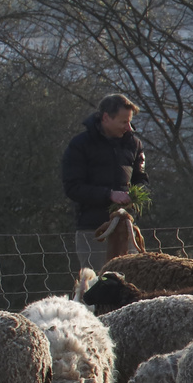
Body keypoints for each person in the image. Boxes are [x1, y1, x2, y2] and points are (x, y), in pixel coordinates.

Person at [60, 93, 149, 273]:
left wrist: (135, 196)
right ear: (106, 117)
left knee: (132, 282)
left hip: (127, 229)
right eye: (124, 122)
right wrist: (109, 194)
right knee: (96, 285)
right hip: (93, 231)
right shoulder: (80, 145)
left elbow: (141, 179)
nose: (129, 128)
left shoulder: (134, 144)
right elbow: (73, 188)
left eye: (130, 122)